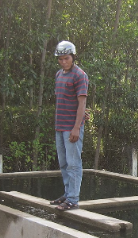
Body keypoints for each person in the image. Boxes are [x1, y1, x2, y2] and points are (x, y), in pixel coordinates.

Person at [49, 40, 89, 211]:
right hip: (60, 125)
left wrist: (76, 127)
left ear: (73, 57)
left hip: (72, 127)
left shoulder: (80, 75)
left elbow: (82, 104)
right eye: (60, 59)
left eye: (66, 58)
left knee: (74, 163)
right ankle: (67, 193)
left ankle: (73, 199)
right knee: (64, 162)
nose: (63, 62)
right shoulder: (59, 75)